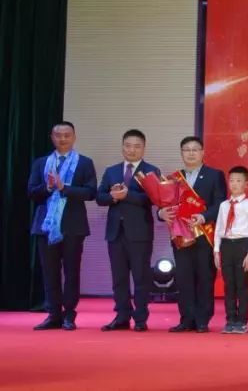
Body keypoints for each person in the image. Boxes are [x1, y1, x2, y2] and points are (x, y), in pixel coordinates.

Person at [28, 121, 97, 331]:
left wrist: (64, 188)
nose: (63, 139)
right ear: (52, 137)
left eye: (67, 135)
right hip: (46, 226)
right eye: (58, 135)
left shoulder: (84, 163)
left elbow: (91, 192)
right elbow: (31, 192)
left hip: (73, 226)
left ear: (74, 137)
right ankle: (53, 315)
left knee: (71, 271)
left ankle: (69, 315)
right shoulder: (41, 163)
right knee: (50, 272)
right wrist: (49, 188)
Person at [160, 136, 227, 333]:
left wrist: (204, 216)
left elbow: (220, 203)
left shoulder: (214, 175)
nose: (191, 153)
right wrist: (160, 213)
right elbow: (163, 204)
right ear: (181, 153)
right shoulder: (174, 178)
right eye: (186, 150)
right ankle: (186, 319)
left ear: (202, 152)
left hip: (204, 234)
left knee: (205, 277)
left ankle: (202, 320)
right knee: (184, 278)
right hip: (181, 236)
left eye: (195, 149)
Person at [96, 129, 158, 332]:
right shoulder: (111, 171)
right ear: (122, 147)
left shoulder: (151, 171)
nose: (132, 150)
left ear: (144, 148)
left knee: (141, 277)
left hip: (140, 233)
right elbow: (100, 197)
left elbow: (153, 199)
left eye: (137, 146)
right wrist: (113, 196)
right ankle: (122, 316)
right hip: (115, 233)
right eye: (128, 146)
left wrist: (127, 195)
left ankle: (140, 318)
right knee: (119, 278)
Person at [214, 166, 248, 334]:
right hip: (226, 245)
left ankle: (242, 321)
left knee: (242, 285)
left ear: (246, 184)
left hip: (242, 244)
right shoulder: (224, 205)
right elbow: (219, 228)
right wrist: (216, 251)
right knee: (229, 285)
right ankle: (230, 319)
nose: (234, 184)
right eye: (231, 180)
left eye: (238, 181)